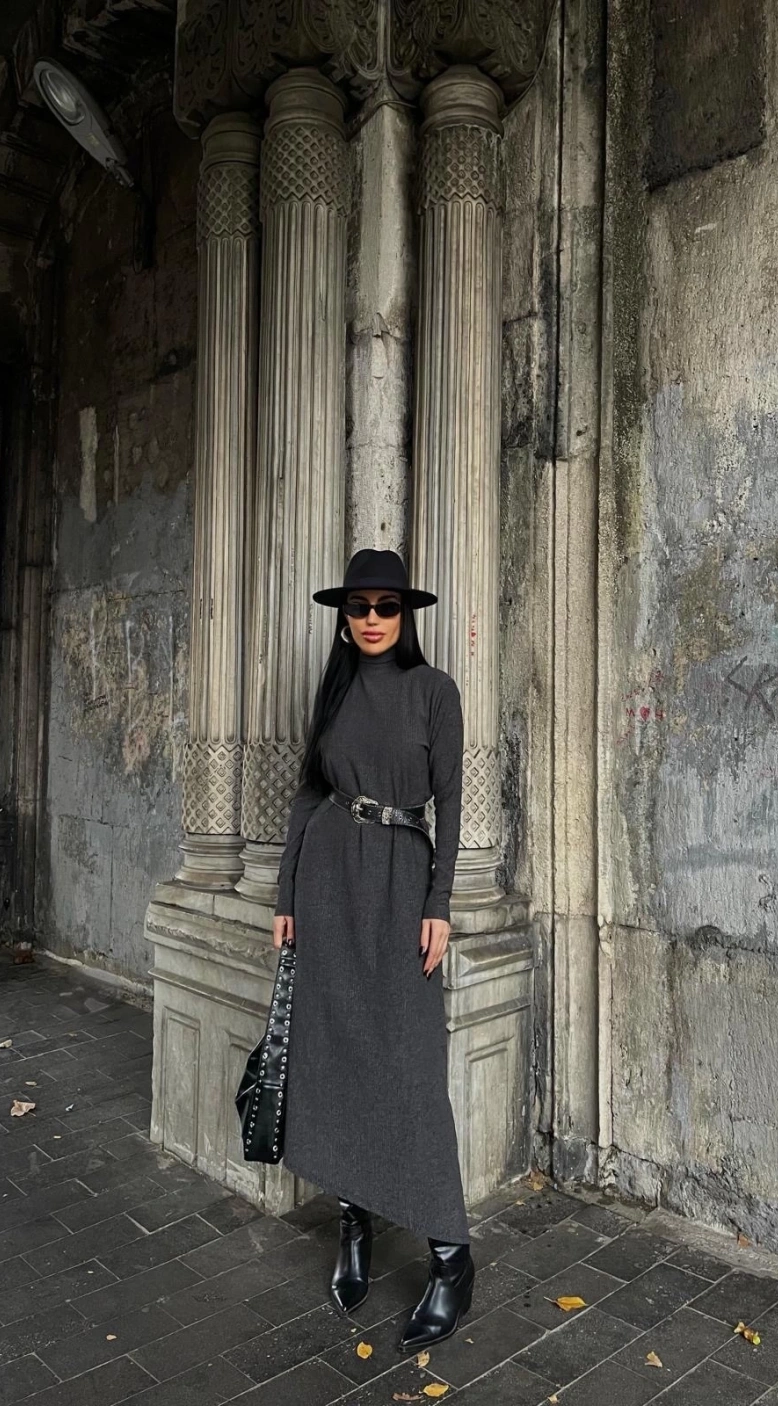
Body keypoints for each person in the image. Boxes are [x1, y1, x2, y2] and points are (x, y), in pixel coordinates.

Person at [272, 548, 474, 1351]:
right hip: (329, 885)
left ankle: (451, 1257)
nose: (372, 619)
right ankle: (353, 1226)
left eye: (386, 606)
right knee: (340, 1059)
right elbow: (308, 796)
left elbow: (451, 804)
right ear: (344, 617)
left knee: (410, 1070)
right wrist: (287, 897)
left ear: (406, 614)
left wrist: (440, 904)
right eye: (359, 607)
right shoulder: (335, 691)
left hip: (400, 887)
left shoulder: (434, 691)